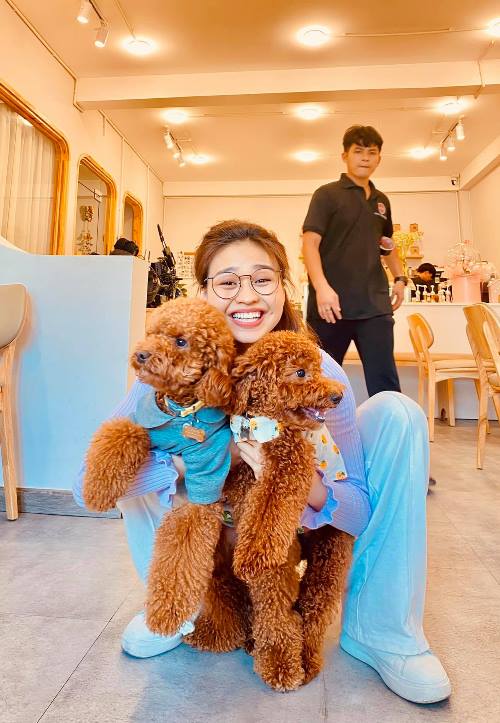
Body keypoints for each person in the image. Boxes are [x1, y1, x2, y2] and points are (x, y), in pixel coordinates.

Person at [73, 219, 451, 704]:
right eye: (228, 282)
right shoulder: (170, 372)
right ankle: (182, 607)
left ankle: (382, 629)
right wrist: (195, 463)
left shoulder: (317, 369)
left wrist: (300, 480)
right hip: (207, 528)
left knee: (399, 412)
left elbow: (358, 512)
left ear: (283, 288)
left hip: (287, 530)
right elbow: (87, 484)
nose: (247, 296)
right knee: (137, 450)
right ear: (203, 293)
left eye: (263, 279)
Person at [302, 125, 408, 398]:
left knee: (385, 382)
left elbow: (387, 244)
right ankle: (317, 429)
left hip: (375, 305)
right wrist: (322, 288)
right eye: (358, 151)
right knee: (319, 382)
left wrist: (399, 278)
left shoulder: (382, 201)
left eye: (371, 152)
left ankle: (389, 426)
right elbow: (309, 243)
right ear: (345, 156)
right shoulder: (327, 194)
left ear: (379, 158)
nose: (365, 158)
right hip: (331, 306)